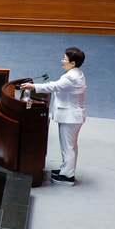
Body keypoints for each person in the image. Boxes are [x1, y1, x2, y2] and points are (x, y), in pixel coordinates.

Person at [23, 47, 86, 186]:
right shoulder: (77, 73)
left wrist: (34, 87)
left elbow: (55, 87)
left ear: (73, 63)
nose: (62, 61)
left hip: (71, 118)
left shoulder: (71, 77)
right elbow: (58, 86)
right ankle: (65, 169)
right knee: (70, 146)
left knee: (68, 147)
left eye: (65, 59)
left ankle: (68, 176)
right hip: (72, 116)